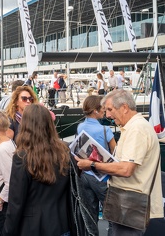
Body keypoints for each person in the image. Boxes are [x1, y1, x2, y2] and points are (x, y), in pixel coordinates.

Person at [75, 89, 164, 235]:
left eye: (110, 109)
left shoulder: (136, 129)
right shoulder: (133, 127)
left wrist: (92, 165)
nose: (108, 115)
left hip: (130, 206)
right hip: (128, 205)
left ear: (124, 107)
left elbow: (126, 169)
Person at [3, 104, 72, 235]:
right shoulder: (65, 151)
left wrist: (7, 232)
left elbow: (16, 202)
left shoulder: (22, 157)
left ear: (26, 125)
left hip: (33, 227)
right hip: (62, 224)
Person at [76, 95, 116, 236]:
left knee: (90, 216)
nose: (105, 111)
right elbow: (115, 151)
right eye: (103, 109)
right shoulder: (105, 130)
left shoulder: (80, 126)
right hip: (102, 177)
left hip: (85, 176)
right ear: (95, 110)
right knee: (112, 216)